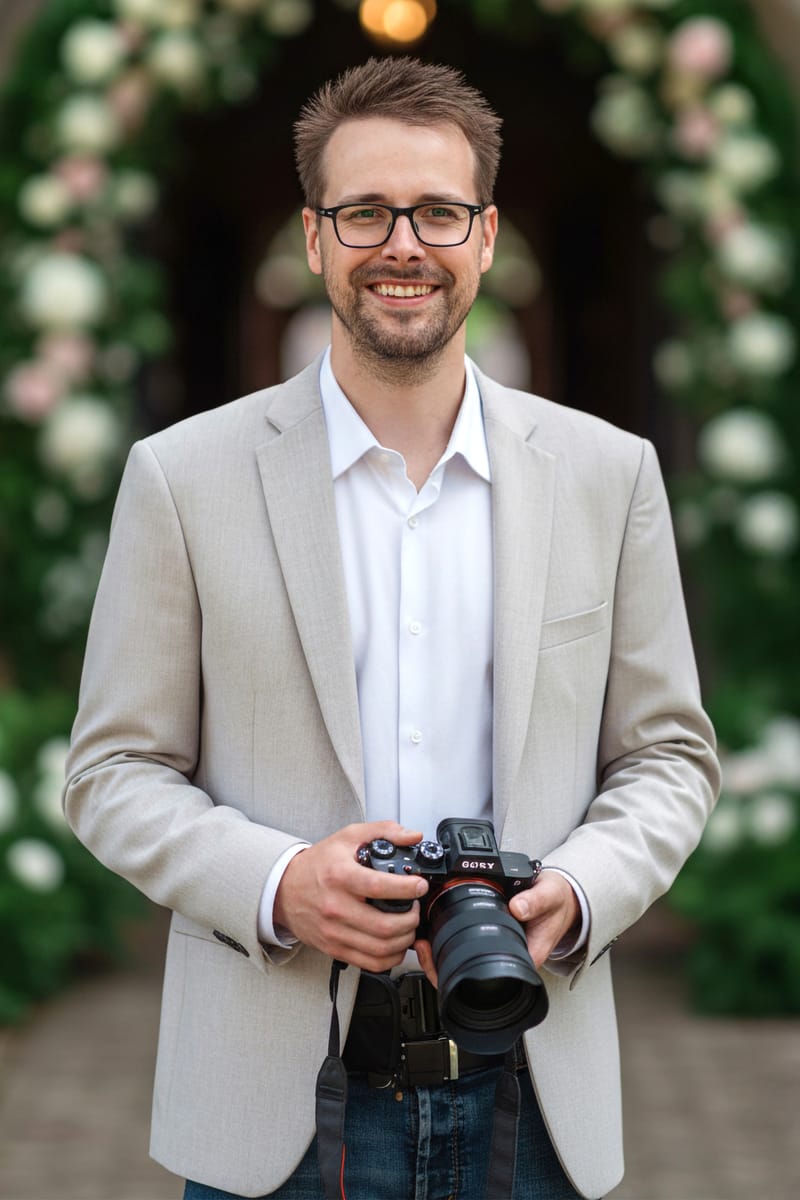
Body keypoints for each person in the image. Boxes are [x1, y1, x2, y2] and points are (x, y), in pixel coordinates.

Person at [64, 56, 720, 1200]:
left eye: (436, 212)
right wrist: (276, 883)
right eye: (363, 211)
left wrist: (577, 891)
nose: (401, 245)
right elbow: (112, 770)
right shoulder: (180, 478)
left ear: (487, 232)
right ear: (313, 237)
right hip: (273, 1112)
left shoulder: (608, 476)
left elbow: (668, 754)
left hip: (536, 1099)